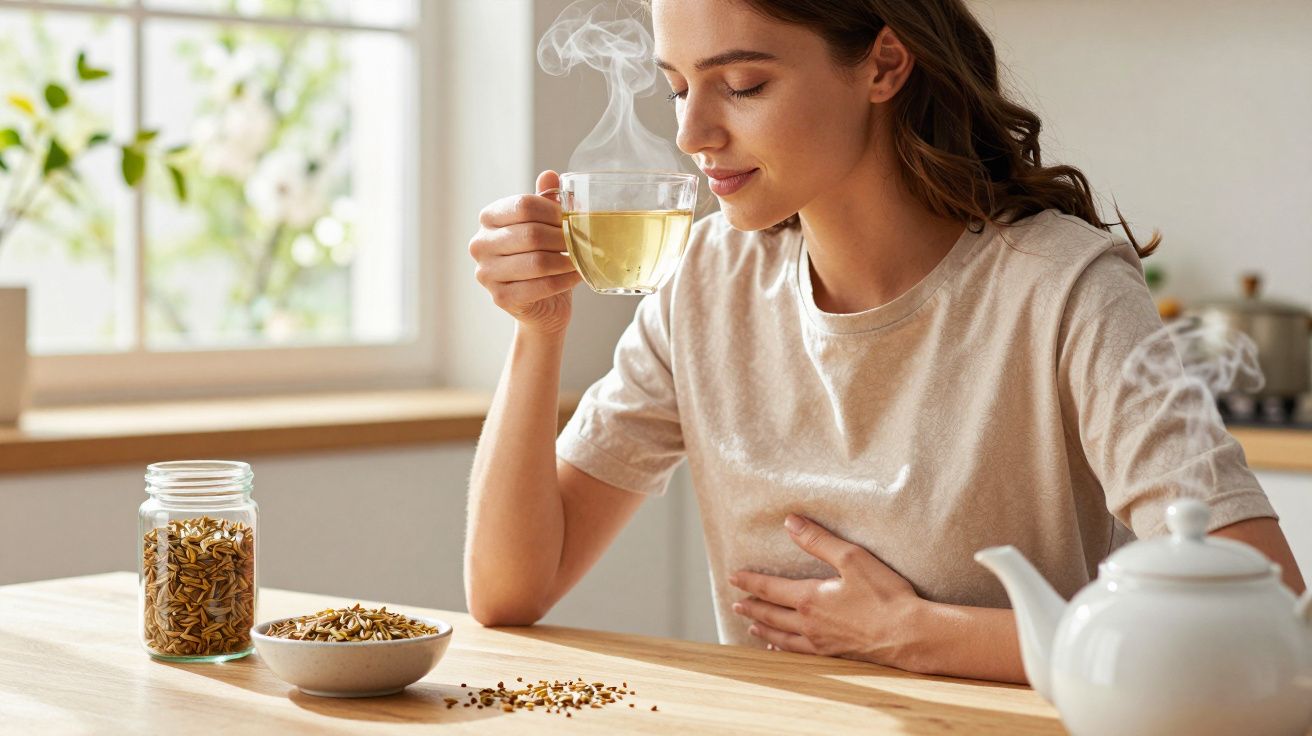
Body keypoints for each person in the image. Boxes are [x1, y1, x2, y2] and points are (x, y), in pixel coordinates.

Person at [462, 0, 1305, 684]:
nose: (692, 133)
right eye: (678, 86)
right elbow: (508, 591)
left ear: (884, 65)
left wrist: (923, 634)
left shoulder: (1063, 287)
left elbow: (1270, 616)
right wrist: (538, 332)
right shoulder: (706, 280)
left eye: (744, 84)